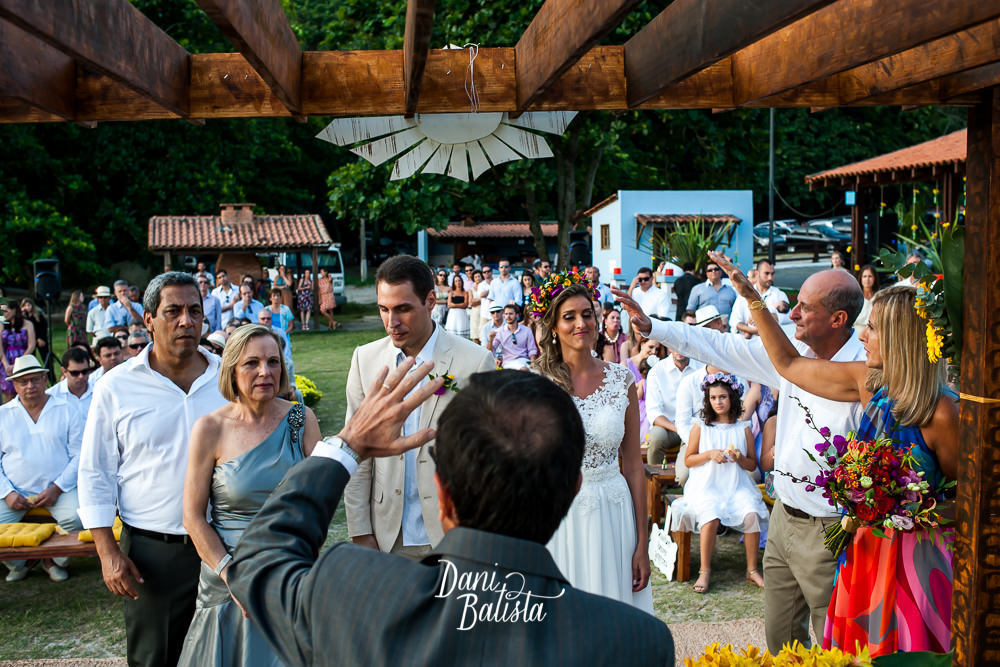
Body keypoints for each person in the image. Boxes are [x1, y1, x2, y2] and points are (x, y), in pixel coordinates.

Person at [227, 367, 674, 665]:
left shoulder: (353, 593)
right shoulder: (636, 642)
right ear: (573, 490)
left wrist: (347, 447)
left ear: (441, 495)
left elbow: (259, 561)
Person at [613, 261, 868, 653]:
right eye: (794, 304)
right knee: (781, 637)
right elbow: (725, 347)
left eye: (804, 308)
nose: (792, 314)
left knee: (839, 642)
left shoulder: (865, 373)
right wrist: (655, 328)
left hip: (831, 528)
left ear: (837, 318)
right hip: (783, 518)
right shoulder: (792, 352)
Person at [712, 252, 958, 656]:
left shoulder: (942, 411)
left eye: (872, 328)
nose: (862, 337)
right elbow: (789, 363)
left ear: (901, 337)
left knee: (903, 655)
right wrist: (750, 296)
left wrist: (901, 509)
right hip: (864, 549)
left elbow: (967, 501)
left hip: (916, 559)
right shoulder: (868, 382)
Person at [78, 271, 228, 667]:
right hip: (153, 554)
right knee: (155, 657)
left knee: (226, 653)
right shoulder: (117, 387)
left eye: (195, 311)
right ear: (147, 320)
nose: (186, 321)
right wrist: (107, 551)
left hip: (226, 547)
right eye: (173, 311)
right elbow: (95, 472)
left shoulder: (227, 380)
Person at [178, 324, 320, 666]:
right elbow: (193, 517)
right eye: (252, 363)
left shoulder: (302, 419)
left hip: (290, 572)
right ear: (231, 369)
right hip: (227, 577)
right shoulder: (209, 428)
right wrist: (233, 575)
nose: (265, 372)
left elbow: (320, 502)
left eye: (273, 362)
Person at [343, 255, 495, 558]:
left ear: (430, 301)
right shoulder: (365, 361)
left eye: (402, 309)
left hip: (453, 534)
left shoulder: (476, 362)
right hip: (387, 535)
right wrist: (361, 533)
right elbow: (355, 451)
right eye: (383, 310)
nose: (391, 323)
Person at [530, 277, 653, 612]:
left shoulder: (621, 379)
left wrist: (642, 543)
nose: (581, 323)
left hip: (613, 514)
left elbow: (633, 467)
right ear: (553, 326)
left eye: (587, 314)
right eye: (569, 316)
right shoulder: (536, 384)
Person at [670, 372, 769, 594]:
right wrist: (709, 454)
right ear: (708, 400)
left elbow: (752, 464)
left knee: (751, 513)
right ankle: (704, 571)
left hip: (736, 486)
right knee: (711, 516)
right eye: (713, 398)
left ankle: (752, 570)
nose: (718, 402)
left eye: (722, 397)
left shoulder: (742, 429)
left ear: (732, 398)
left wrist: (739, 458)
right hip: (707, 486)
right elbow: (689, 459)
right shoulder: (700, 427)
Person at [1, 355, 84, 583]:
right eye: (23, 381)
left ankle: (53, 560)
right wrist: (7, 493)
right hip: (15, 491)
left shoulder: (67, 409)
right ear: (14, 384)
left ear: (45, 378)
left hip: (59, 489)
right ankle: (21, 561)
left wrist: (56, 488)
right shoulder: (3, 415)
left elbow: (80, 455)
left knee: (78, 517)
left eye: (35, 380)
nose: (30, 386)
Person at [645, 347, 703, 467]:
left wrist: (690, 428)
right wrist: (678, 427)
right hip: (669, 427)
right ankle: (657, 480)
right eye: (674, 343)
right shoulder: (657, 371)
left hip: (694, 425)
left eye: (683, 343)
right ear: (668, 346)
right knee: (656, 437)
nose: (679, 348)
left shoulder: (702, 368)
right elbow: (654, 413)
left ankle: (690, 479)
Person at [729, 260, 789, 337]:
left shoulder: (779, 294)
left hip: (774, 341)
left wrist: (772, 317)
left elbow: (790, 318)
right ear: (757, 273)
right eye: (766, 273)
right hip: (750, 342)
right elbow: (734, 321)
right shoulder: (744, 295)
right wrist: (754, 330)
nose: (770, 277)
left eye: (772, 273)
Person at [48, 347, 95, 422]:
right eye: (75, 373)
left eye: (85, 371)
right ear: (64, 371)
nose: (81, 376)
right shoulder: (51, 396)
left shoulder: (99, 391)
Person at [1, 301, 36, 401]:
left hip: (23, 359)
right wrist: (6, 365)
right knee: (8, 393)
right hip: (6, 362)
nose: (4, 314)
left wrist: (18, 363)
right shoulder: (2, 325)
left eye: (6, 311)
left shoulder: (28, 324)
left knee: (25, 392)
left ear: (14, 310)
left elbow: (32, 345)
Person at [490, 304, 538, 370]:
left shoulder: (526, 330)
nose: (508, 316)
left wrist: (533, 362)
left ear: (517, 315)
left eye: (511, 314)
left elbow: (532, 349)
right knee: (524, 370)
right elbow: (491, 351)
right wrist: (490, 340)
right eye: (506, 314)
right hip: (509, 362)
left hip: (525, 361)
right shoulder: (499, 331)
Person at [256, 309, 294, 377]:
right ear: (258, 320)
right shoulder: (254, 333)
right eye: (263, 319)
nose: (266, 320)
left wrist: (286, 363)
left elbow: (287, 350)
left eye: (268, 318)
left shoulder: (280, 332)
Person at [853, 264, 879, 332]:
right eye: (864, 276)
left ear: (874, 278)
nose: (867, 279)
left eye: (870, 276)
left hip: (875, 332)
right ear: (861, 278)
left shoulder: (879, 296)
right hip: (858, 332)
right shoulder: (855, 296)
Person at [445, 273, 471, 338]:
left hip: (462, 314)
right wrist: (460, 305)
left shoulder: (465, 293)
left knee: (462, 333)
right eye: (456, 281)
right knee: (452, 334)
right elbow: (449, 305)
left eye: (459, 280)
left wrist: (454, 305)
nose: (458, 282)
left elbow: (465, 305)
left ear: (462, 281)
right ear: (454, 283)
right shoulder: (451, 292)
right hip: (453, 315)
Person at [317, 266, 340, 331]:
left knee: (330, 310)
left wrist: (328, 275)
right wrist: (319, 299)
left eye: (322, 272)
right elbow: (319, 290)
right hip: (323, 296)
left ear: (325, 272)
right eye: (320, 272)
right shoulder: (319, 280)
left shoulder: (329, 278)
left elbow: (330, 280)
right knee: (322, 310)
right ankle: (334, 322)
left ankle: (330, 327)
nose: (321, 273)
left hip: (329, 295)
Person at [468, 269, 485, 343]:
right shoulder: (471, 289)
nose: (478, 278)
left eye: (479, 276)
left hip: (484, 311)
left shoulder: (485, 287)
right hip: (475, 312)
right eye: (475, 277)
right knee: (475, 334)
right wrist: (482, 299)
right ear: (473, 279)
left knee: (483, 333)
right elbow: (471, 303)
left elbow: (487, 300)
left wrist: (476, 300)